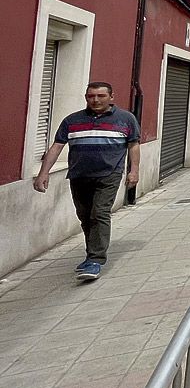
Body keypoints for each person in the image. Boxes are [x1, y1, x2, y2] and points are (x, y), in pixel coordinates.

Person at [32, 82, 140, 281]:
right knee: (84, 215)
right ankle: (91, 253)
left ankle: (96, 259)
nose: (96, 100)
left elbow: (133, 145)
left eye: (100, 96)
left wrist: (134, 171)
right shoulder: (72, 120)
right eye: (91, 96)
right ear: (86, 97)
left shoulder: (126, 119)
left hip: (109, 174)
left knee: (99, 213)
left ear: (111, 97)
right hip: (79, 175)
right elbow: (56, 146)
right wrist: (43, 173)